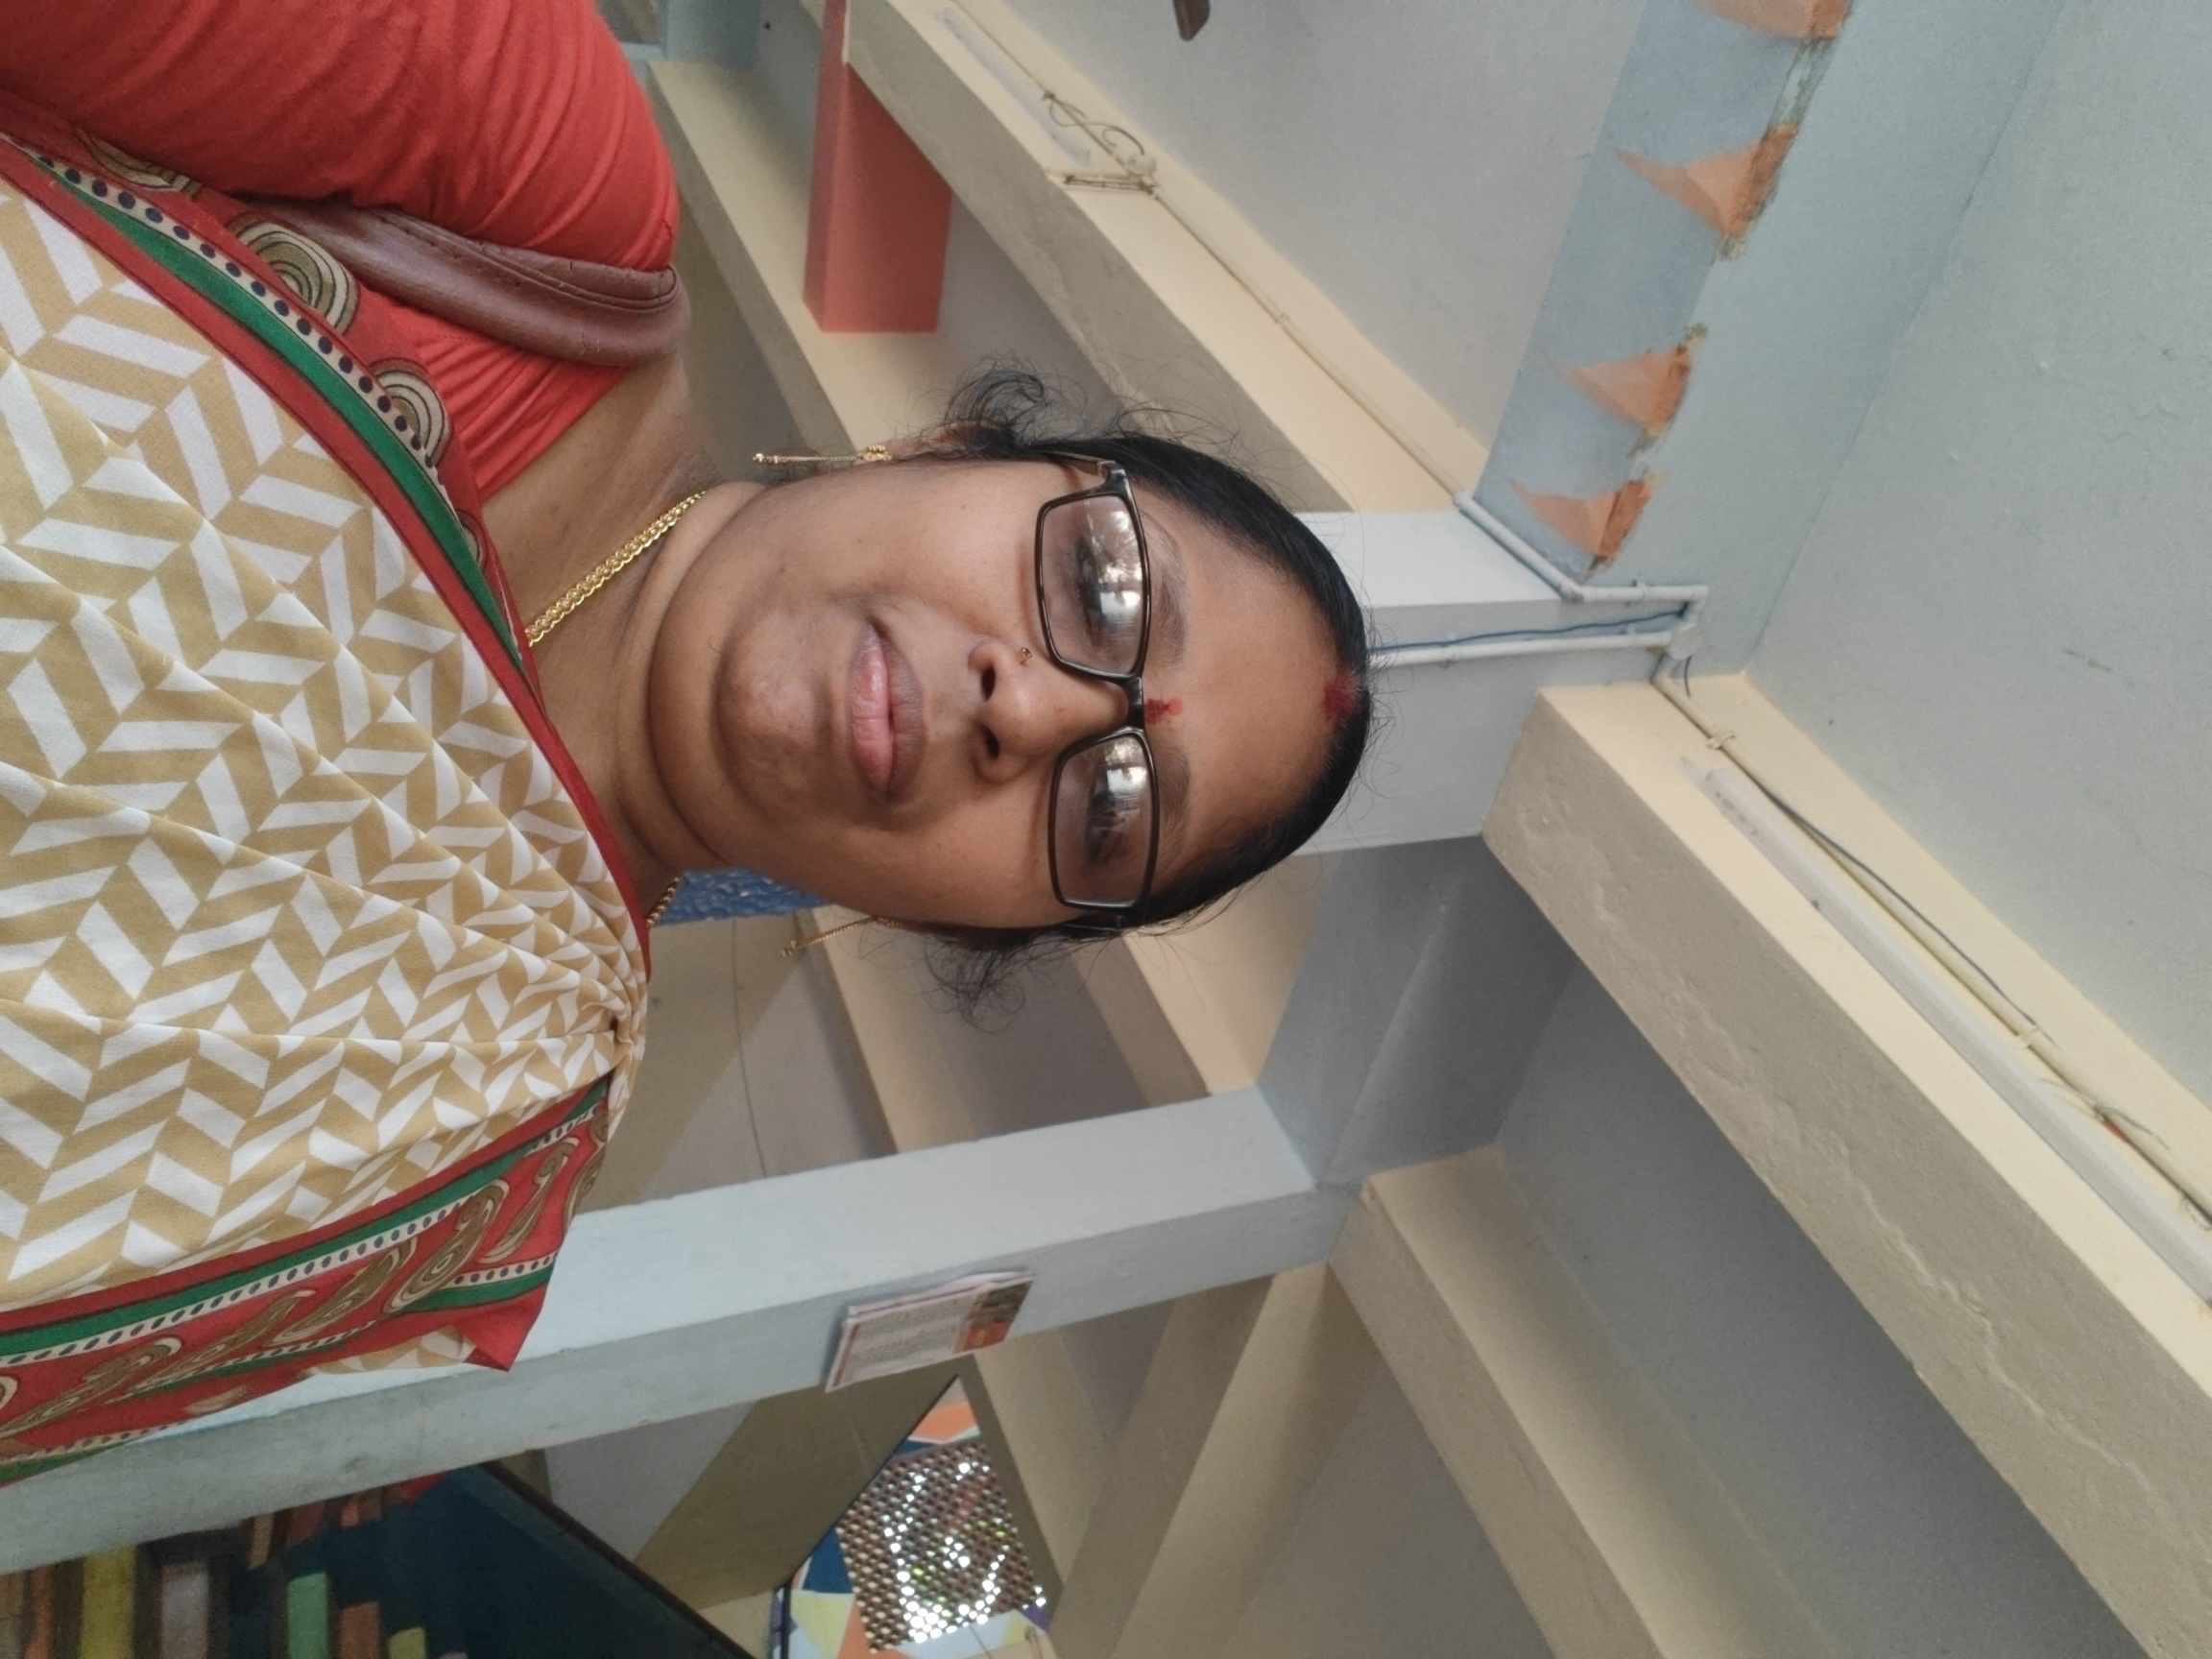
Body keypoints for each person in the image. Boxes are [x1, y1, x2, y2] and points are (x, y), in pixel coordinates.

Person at [0, 0, 1371, 1480]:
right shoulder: (537, 187)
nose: (1030, 709)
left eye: (1109, 811)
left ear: (958, 921)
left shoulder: (480, 1136)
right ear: (943, 449)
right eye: (1103, 586)